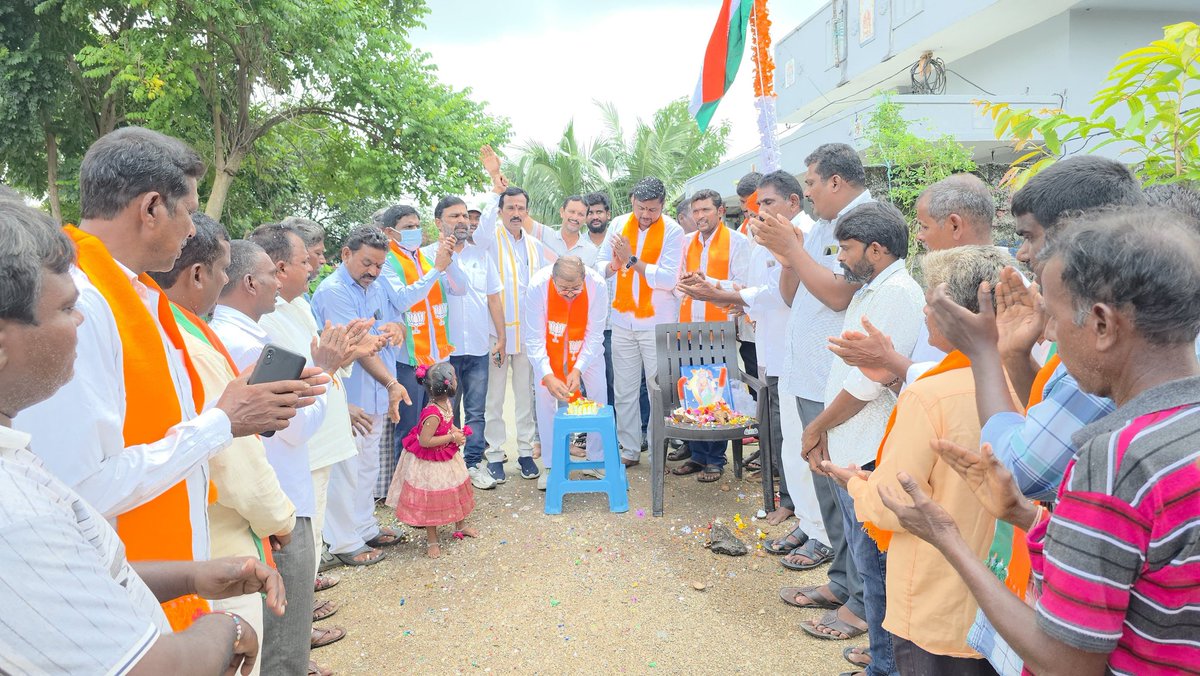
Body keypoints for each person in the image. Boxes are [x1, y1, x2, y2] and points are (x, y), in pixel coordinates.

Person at [13, 126, 321, 630]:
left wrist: (231, 403)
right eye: (187, 212)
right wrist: (222, 422)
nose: (191, 231)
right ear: (152, 207)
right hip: (114, 607)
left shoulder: (136, 298)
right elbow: (76, 489)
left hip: (158, 581)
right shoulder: (80, 305)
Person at [883, 208, 1200, 675]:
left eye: (1050, 316)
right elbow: (1146, 564)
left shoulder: (1115, 457)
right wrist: (1027, 516)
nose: (1046, 334)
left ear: (1102, 324)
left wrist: (947, 538)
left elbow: (1067, 660)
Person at [0, 200, 282, 675]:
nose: (82, 320)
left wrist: (191, 575)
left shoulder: (18, 465)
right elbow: (151, 669)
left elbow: (80, 576)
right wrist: (226, 629)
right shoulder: (15, 514)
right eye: (67, 308)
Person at [825, 245, 1017, 675]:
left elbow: (892, 502)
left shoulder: (932, 395)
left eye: (931, 303)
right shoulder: (1023, 378)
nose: (924, 313)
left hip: (939, 601)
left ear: (957, 314)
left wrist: (855, 482)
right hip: (1007, 601)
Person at [149, 214, 297, 676]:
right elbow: (236, 460)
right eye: (222, 270)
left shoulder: (169, 326)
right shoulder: (190, 345)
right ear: (198, 274)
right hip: (220, 538)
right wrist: (280, 518)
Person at [752, 144, 870, 644]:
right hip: (808, 374)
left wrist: (793, 249)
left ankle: (861, 597)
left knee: (846, 490)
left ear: (837, 181)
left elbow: (840, 293)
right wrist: (788, 253)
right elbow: (791, 294)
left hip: (837, 376)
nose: (808, 192)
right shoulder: (822, 226)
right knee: (825, 484)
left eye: (814, 183)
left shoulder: (863, 221)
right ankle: (845, 583)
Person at [212, 240, 337, 672]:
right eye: (271, 274)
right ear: (249, 281)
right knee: (282, 648)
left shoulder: (227, 333)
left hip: (264, 497)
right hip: (276, 501)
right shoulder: (246, 344)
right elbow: (295, 424)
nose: (277, 282)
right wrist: (326, 368)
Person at [829, 173, 997, 386]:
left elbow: (963, 385)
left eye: (924, 226)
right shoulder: (952, 281)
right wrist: (888, 370)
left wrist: (889, 361)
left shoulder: (994, 290)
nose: (919, 236)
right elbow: (925, 381)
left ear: (955, 225)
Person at [312, 225, 410, 569]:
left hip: (377, 391)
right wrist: (389, 382)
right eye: (367, 263)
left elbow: (393, 321)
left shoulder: (378, 284)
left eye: (380, 266)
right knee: (345, 468)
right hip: (349, 394)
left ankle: (364, 526)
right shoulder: (333, 292)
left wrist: (397, 328)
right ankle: (343, 540)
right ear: (346, 254)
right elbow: (356, 348)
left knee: (367, 464)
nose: (373, 272)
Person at [596, 176, 686, 466]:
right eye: (640, 207)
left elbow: (668, 278)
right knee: (624, 390)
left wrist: (631, 260)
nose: (645, 215)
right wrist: (613, 264)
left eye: (652, 209)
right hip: (622, 321)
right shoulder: (620, 224)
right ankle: (629, 450)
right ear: (632, 201)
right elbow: (599, 267)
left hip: (658, 323)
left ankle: (660, 447)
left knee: (659, 388)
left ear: (662, 206)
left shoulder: (673, 231)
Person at [375, 204, 460, 495]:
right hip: (408, 359)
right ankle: (407, 491)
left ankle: (435, 484)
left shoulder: (426, 256)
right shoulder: (386, 263)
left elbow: (460, 288)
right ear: (390, 232)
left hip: (439, 355)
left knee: (440, 422)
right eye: (408, 227)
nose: (415, 232)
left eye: (417, 226)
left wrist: (449, 261)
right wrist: (437, 268)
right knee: (411, 428)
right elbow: (403, 300)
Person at [477, 146, 547, 482]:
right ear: (502, 210)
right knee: (494, 398)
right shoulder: (489, 239)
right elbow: (482, 225)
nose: (516, 212)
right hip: (497, 334)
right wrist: (495, 181)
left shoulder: (534, 245)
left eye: (521, 207)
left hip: (528, 335)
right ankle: (494, 455)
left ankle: (524, 453)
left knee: (525, 397)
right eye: (510, 207)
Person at [426, 195, 505, 490]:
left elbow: (493, 298)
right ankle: (448, 465)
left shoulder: (480, 255)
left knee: (476, 411)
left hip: (478, 348)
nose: (462, 221)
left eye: (465, 216)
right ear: (438, 222)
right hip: (443, 352)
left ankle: (473, 464)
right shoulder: (426, 256)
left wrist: (502, 337)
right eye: (454, 216)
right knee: (445, 410)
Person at [670, 189, 750, 482]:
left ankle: (715, 460)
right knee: (690, 389)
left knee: (716, 393)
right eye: (696, 211)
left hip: (720, 329)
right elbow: (676, 280)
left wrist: (709, 282)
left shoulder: (738, 242)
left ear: (720, 211)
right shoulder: (685, 242)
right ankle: (696, 455)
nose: (700, 216)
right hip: (689, 326)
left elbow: (743, 283)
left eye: (706, 210)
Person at [523, 256, 609, 490]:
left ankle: (596, 459)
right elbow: (533, 337)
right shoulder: (537, 286)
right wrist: (547, 374)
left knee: (599, 395)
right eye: (563, 289)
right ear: (553, 279)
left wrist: (578, 367)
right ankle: (552, 465)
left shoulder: (598, 285)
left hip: (586, 350)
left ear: (584, 278)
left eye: (575, 289)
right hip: (551, 347)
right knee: (545, 398)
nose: (570, 294)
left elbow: (595, 334)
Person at [386, 361, 479, 558]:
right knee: (432, 500)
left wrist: (456, 431)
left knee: (456, 489)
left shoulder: (445, 404)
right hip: (430, 460)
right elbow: (426, 441)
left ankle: (460, 525)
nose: (456, 380)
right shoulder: (432, 414)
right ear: (447, 386)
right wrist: (453, 437)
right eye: (453, 378)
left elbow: (449, 423)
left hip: (446, 456)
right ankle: (432, 540)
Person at [526, 195, 600, 264]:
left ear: (586, 219)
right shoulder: (543, 234)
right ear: (562, 212)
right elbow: (521, 216)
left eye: (581, 214)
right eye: (572, 212)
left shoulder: (591, 252)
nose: (575, 217)